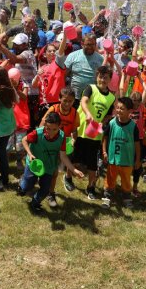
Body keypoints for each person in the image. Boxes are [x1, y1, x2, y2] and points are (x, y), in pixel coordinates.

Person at [65, 65, 115, 200]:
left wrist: (103, 123)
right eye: (100, 77)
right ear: (96, 77)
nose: (102, 80)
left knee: (93, 163)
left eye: (105, 78)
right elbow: (83, 102)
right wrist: (88, 114)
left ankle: (91, 187)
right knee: (75, 158)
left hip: (95, 133)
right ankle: (68, 177)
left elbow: (108, 114)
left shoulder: (111, 97)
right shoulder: (90, 88)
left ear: (110, 79)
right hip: (81, 130)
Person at [19, 112, 83, 213]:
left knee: (45, 189)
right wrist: (30, 154)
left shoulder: (62, 137)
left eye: (54, 129)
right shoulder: (38, 133)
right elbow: (24, 140)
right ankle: (23, 183)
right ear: (45, 125)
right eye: (48, 128)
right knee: (27, 187)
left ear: (59, 126)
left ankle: (35, 203)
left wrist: (74, 169)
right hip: (35, 163)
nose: (51, 132)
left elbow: (63, 156)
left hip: (49, 166)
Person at [101, 96, 141, 209]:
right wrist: (104, 152)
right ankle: (107, 197)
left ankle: (127, 197)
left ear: (130, 111)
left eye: (122, 108)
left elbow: (137, 144)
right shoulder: (111, 123)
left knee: (126, 180)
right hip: (112, 158)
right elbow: (105, 138)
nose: (119, 110)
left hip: (127, 160)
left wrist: (137, 159)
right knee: (110, 178)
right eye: (117, 108)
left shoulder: (133, 127)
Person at [59, 32, 105, 99]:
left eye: (93, 44)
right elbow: (63, 75)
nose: (90, 47)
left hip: (92, 98)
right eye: (88, 44)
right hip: (73, 98)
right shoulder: (73, 56)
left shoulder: (100, 59)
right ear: (82, 44)